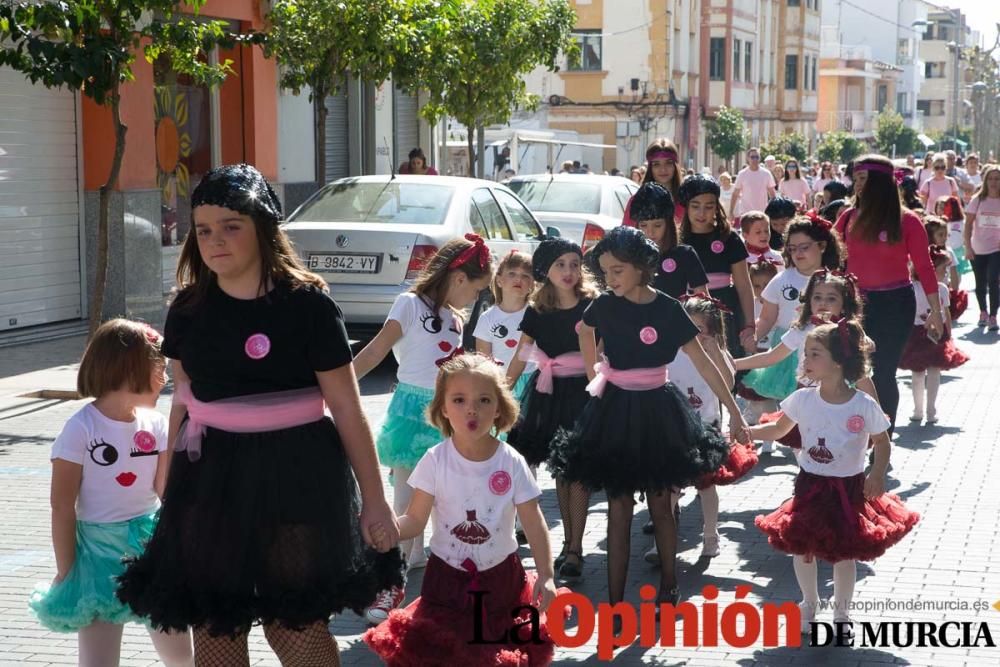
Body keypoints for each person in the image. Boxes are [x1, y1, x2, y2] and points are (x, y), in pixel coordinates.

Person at [116, 164, 404, 665]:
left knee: (293, 628)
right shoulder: (187, 308)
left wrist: (375, 501)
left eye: (231, 226)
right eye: (203, 230)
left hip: (295, 474)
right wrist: (167, 475)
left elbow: (347, 408)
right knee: (214, 628)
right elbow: (183, 398)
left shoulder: (308, 306)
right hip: (208, 479)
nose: (215, 241)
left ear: (263, 229)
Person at [550, 226, 748, 611]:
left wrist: (735, 411)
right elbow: (584, 332)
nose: (610, 279)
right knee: (618, 507)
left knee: (661, 505)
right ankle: (614, 603)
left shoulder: (667, 309)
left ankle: (670, 587)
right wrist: (595, 375)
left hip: (659, 409)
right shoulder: (605, 305)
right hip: (614, 409)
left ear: (642, 268)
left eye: (617, 270)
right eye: (605, 271)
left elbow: (704, 363)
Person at [363, 353, 565, 666]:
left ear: (499, 408)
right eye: (459, 399)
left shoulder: (510, 462)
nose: (471, 409)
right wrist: (390, 530)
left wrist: (548, 575)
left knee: (494, 656)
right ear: (443, 408)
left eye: (484, 400)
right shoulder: (434, 459)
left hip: (501, 583)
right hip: (446, 583)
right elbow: (415, 519)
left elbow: (534, 522)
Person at [29, 320, 193, 667]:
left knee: (180, 656)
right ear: (130, 368)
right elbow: (61, 506)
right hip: (95, 554)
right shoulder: (80, 428)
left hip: (150, 545)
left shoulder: (157, 423)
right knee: (98, 661)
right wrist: (67, 570)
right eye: (159, 369)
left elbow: (164, 490)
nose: (164, 379)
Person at [352, 234, 494, 622]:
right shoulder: (409, 305)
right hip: (410, 414)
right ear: (460, 277)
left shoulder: (456, 318)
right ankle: (388, 582)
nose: (476, 300)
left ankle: (425, 572)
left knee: (446, 500)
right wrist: (340, 387)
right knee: (404, 500)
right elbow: (378, 349)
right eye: (478, 290)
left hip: (446, 415)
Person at [751, 320, 920, 636]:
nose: (806, 361)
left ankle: (842, 614)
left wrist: (878, 472)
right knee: (803, 549)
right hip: (810, 487)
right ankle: (809, 603)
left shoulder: (863, 403)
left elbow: (882, 441)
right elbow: (777, 429)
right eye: (806, 354)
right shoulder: (802, 398)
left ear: (839, 361)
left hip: (849, 489)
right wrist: (747, 432)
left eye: (814, 354)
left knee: (844, 554)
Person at [505, 238, 600, 581]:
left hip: (586, 392)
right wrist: (502, 389)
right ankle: (569, 545)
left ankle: (574, 547)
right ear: (546, 271)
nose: (569, 271)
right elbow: (521, 352)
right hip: (549, 393)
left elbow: (603, 351)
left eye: (575, 264)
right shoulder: (538, 308)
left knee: (578, 471)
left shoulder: (593, 304)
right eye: (561, 264)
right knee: (562, 471)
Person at [835, 154, 941, 436]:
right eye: (855, 179)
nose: (856, 185)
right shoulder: (847, 217)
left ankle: (882, 441)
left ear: (880, 183)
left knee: (883, 373)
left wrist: (937, 312)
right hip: (856, 304)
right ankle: (855, 434)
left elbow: (925, 268)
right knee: (853, 371)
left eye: (862, 179)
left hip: (896, 304)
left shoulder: (908, 221)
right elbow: (830, 260)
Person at [647, 294, 757, 563]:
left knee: (706, 486)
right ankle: (661, 540)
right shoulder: (670, 350)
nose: (693, 335)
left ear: (711, 330)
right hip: (674, 428)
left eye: (699, 328)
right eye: (687, 326)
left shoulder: (714, 352)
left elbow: (729, 381)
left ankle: (711, 535)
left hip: (705, 427)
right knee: (670, 486)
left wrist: (716, 350)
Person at [739, 270, 879, 450]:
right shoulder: (801, 329)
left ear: (844, 304)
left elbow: (862, 376)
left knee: (837, 449)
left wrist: (876, 411)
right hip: (806, 395)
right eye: (817, 297)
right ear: (809, 301)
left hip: (841, 399)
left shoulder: (847, 331)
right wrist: (734, 364)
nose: (823, 303)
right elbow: (771, 356)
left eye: (831, 298)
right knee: (802, 448)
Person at [742, 213, 844, 405]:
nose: (798, 253)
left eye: (805, 247)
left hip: (828, 350)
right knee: (791, 407)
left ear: (822, 246)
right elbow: (766, 318)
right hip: (787, 349)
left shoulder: (835, 281)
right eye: (792, 248)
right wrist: (752, 336)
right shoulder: (782, 279)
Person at [679, 174, 757, 360]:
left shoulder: (729, 238)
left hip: (725, 310)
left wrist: (749, 325)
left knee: (725, 363)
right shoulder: (677, 240)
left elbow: (744, 286)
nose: (701, 213)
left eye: (709, 206)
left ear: (717, 207)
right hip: (688, 310)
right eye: (695, 206)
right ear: (686, 207)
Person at [899, 246, 969, 424]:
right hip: (916, 333)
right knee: (917, 373)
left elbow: (946, 314)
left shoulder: (942, 289)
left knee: (934, 371)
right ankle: (918, 409)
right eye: (943, 269)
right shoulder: (912, 287)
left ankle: (931, 409)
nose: (946, 273)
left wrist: (948, 335)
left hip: (936, 333)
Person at [473, 250, 535, 402]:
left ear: (532, 285)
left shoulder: (536, 314)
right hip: (498, 383)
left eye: (525, 275)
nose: (518, 278)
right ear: (499, 280)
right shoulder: (487, 318)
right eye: (512, 273)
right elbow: (484, 361)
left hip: (533, 382)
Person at [630, 182, 709, 299]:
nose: (650, 232)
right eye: (644, 225)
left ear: (669, 225)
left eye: (657, 225)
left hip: (676, 316)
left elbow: (703, 301)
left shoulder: (685, 254)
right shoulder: (629, 256)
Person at [965, 164, 1000, 330]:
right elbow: (968, 225)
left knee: (993, 280)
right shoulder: (977, 200)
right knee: (980, 283)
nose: (994, 182)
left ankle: (993, 316)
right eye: (991, 179)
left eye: (997, 179)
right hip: (978, 247)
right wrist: (968, 247)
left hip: (997, 248)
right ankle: (983, 312)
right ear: (985, 181)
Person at [623, 139, 685, 227]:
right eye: (656, 164)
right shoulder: (637, 201)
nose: (663, 169)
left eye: (668, 163)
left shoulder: (686, 202)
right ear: (650, 168)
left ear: (675, 166)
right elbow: (627, 236)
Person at [923, 216, 966, 320]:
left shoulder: (949, 252)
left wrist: (954, 291)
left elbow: (954, 273)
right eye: (940, 235)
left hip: (943, 290)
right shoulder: (924, 253)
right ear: (929, 235)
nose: (944, 238)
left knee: (944, 315)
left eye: (946, 235)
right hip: (926, 291)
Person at [730, 147, 777, 217]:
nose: (755, 159)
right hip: (745, 212)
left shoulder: (766, 173)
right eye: (752, 157)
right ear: (748, 158)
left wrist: (775, 210)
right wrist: (731, 211)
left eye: (757, 157)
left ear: (759, 158)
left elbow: (772, 193)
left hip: (762, 212)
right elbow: (735, 193)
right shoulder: (742, 174)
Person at [935, 195, 972, 275]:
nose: (940, 210)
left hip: (958, 252)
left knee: (957, 273)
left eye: (943, 207)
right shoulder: (935, 222)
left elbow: (966, 235)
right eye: (938, 207)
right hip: (942, 252)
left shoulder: (961, 222)